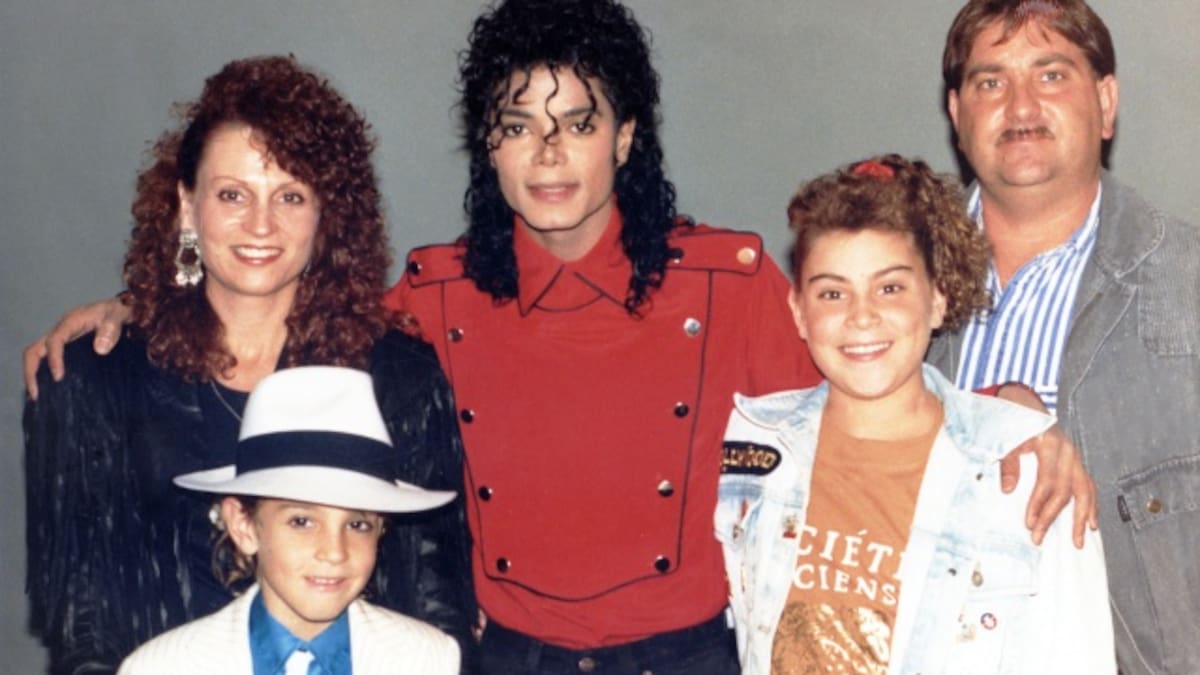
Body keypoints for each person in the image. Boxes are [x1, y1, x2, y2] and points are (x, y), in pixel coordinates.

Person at [22, 2, 1093, 671]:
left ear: (625, 139)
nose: (548, 154)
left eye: (578, 123)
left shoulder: (727, 283)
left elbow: (861, 393)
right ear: (486, 147)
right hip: (507, 660)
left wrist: (1005, 424)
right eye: (517, 125)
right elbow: (287, 304)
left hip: (689, 658)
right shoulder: (432, 296)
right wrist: (136, 308)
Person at [23, 55, 474, 673]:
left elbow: (437, 610)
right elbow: (82, 628)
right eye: (232, 194)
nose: (260, 224)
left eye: (290, 196)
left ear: (325, 215)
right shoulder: (93, 379)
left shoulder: (400, 379)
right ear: (187, 206)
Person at [717, 155, 1113, 674]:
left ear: (938, 300)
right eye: (833, 293)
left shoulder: (1023, 470)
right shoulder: (753, 442)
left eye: (890, 288)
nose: (862, 316)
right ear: (799, 312)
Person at [927, 2, 1200, 672]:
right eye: (991, 81)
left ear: (1106, 103)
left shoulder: (1188, 287)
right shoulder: (881, 286)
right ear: (958, 114)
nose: (1020, 106)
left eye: (1051, 75)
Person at [118, 366, 461, 675]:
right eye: (302, 521)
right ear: (243, 526)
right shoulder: (160, 668)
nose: (334, 552)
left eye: (358, 525)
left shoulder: (428, 659)